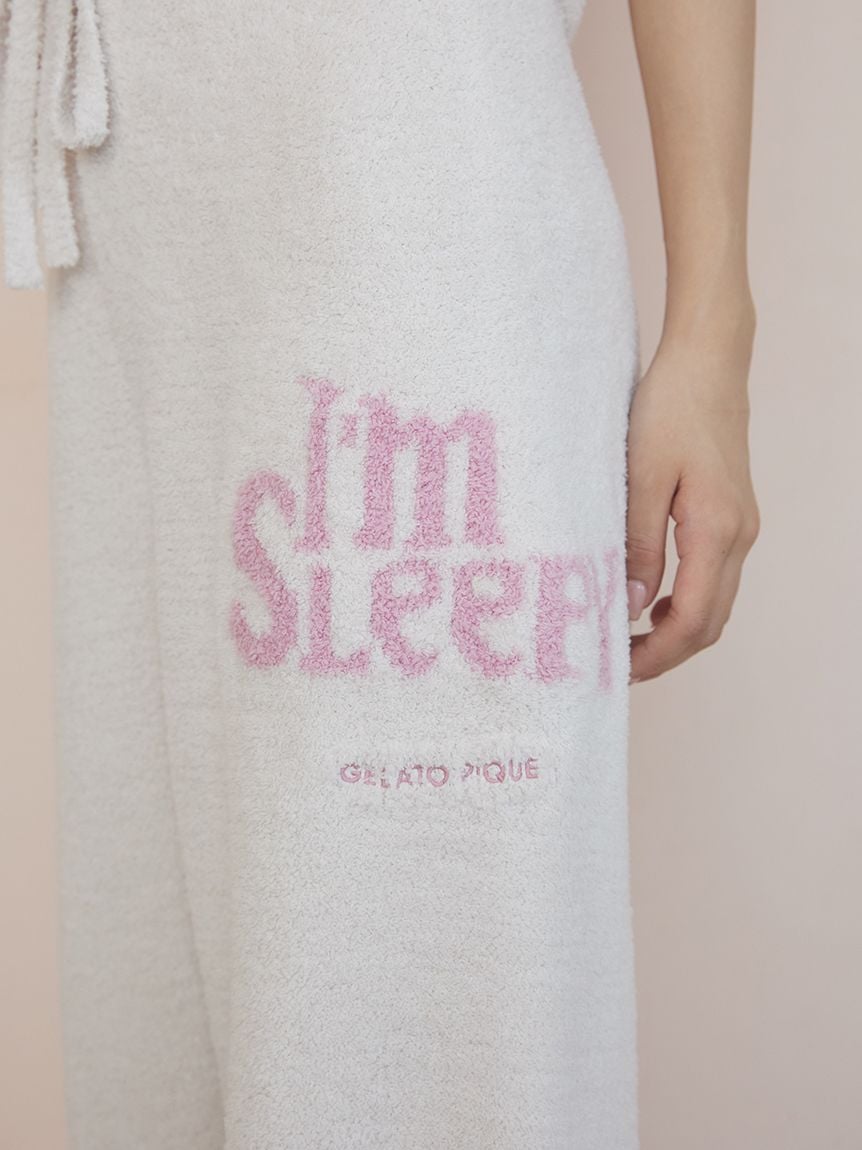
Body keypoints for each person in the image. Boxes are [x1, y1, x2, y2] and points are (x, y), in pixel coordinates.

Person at [1, 0, 758, 1146]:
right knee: (159, 1057)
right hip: (123, 225)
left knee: (439, 1051)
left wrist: (710, 336)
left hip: (404, 177)